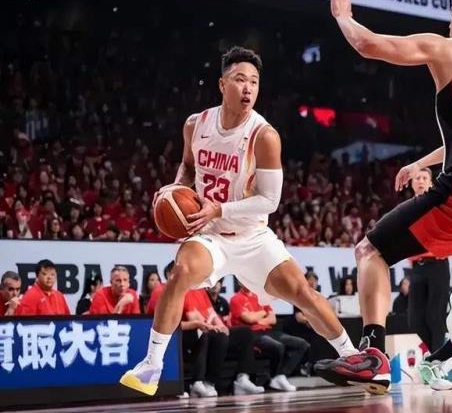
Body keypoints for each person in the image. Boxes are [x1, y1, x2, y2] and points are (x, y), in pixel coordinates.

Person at [120, 46, 357, 396]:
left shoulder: (264, 136)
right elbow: (188, 167)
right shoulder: (195, 124)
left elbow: (270, 200)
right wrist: (174, 190)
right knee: (181, 272)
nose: (248, 88)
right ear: (222, 84)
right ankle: (152, 365)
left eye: (254, 82)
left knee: (303, 293)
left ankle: (353, 358)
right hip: (211, 234)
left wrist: (220, 209)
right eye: (240, 80)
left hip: (251, 235)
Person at [318, 0, 452, 394]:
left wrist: (344, 17)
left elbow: (369, 44)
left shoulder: (449, 48)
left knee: (371, 251)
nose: (448, 20)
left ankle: (372, 354)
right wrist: (422, 162)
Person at [148, 262, 264, 396]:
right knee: (209, 335)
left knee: (244, 332)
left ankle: (242, 379)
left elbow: (210, 312)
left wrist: (221, 326)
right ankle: (201, 382)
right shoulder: (162, 291)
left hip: (198, 329)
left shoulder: (196, 289)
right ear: (170, 274)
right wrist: (203, 325)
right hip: (171, 335)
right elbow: (181, 320)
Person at [230, 283, 309, 391]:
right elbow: (249, 319)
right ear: (239, 282)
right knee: (277, 346)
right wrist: (263, 312)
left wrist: (257, 319)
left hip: (268, 331)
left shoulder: (259, 297)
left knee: (301, 344)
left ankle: (280, 376)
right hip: (253, 334)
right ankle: (275, 376)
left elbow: (273, 319)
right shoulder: (236, 299)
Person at [405, 167, 450, 353]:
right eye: (417, 178)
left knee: (435, 317)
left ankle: (437, 360)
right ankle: (435, 356)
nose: (421, 181)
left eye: (424, 178)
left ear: (431, 183)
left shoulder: (439, 203)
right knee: (414, 319)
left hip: (438, 263)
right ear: (411, 184)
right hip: (417, 267)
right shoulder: (407, 209)